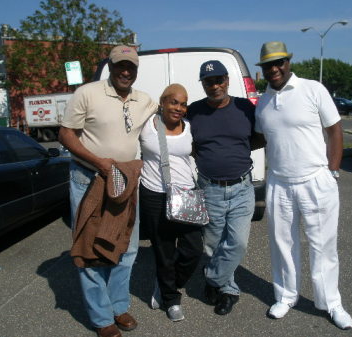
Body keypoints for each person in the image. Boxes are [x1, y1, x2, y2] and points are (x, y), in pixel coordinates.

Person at [59, 45, 158, 337]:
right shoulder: (87, 94)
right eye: (120, 66)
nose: (126, 72)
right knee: (91, 250)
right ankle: (102, 318)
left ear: (137, 70)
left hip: (125, 182)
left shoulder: (144, 100)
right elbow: (65, 134)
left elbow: (169, 114)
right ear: (111, 68)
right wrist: (98, 162)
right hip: (89, 179)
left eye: (131, 67)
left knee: (126, 248)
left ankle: (118, 306)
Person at [254, 41, 352, 329]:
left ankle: (331, 303)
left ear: (288, 62)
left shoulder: (313, 89)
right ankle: (286, 296)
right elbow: (260, 138)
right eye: (268, 65)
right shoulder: (263, 101)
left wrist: (332, 171)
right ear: (262, 69)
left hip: (315, 180)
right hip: (279, 182)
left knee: (323, 246)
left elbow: (334, 130)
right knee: (282, 244)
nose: (274, 69)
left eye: (279, 62)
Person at [187, 60, 256, 316]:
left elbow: (258, 137)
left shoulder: (244, 107)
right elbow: (183, 140)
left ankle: (212, 278)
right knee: (213, 245)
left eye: (219, 80)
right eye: (209, 82)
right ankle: (228, 289)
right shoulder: (193, 111)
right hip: (210, 188)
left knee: (237, 243)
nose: (214, 86)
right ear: (203, 84)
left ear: (227, 80)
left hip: (241, 187)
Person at [138, 83, 203, 322]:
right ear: (163, 102)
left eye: (183, 103)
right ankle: (171, 299)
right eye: (174, 102)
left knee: (193, 249)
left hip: (186, 195)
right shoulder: (147, 125)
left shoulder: (189, 128)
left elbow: (200, 152)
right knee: (164, 250)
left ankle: (168, 282)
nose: (179, 107)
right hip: (154, 194)